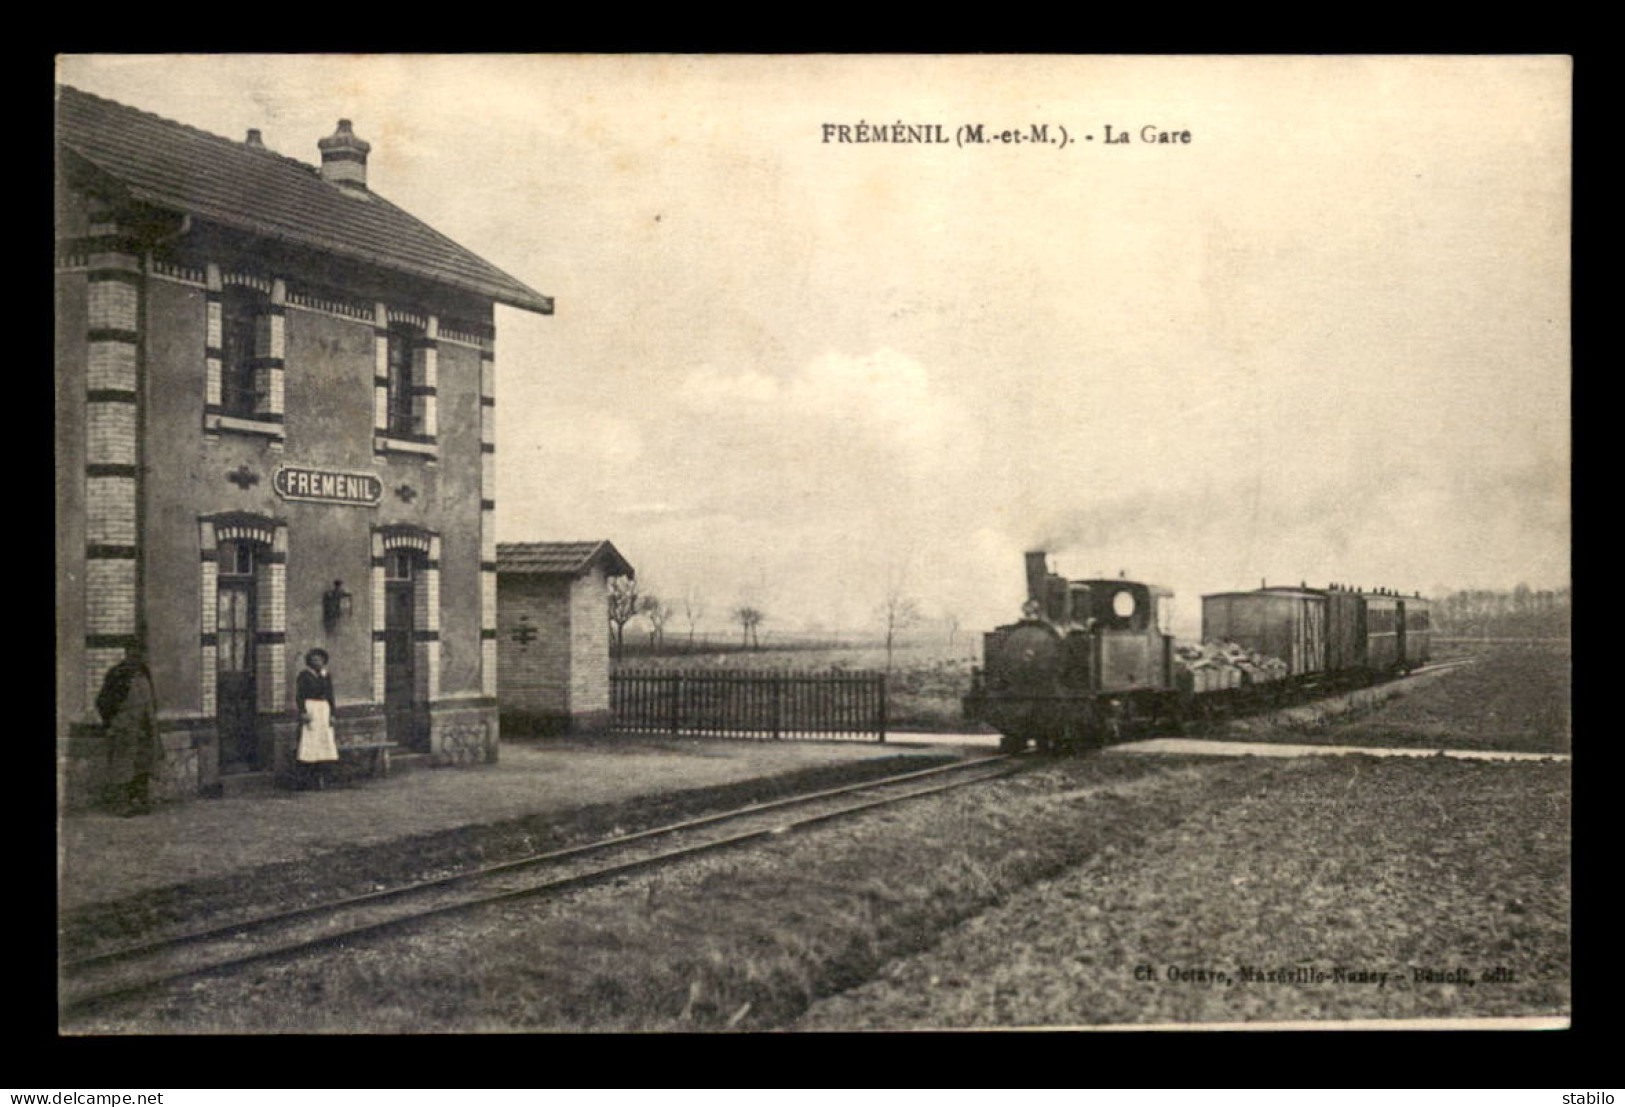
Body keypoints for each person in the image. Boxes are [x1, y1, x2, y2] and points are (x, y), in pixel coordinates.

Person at [96, 644, 161, 816]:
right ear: (126, 655)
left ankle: (140, 801)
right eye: (132, 656)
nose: (136, 659)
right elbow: (102, 702)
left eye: (139, 656)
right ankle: (121, 804)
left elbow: (151, 700)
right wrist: (112, 724)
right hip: (125, 729)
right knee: (122, 768)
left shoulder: (144, 673)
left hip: (145, 728)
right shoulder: (117, 675)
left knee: (143, 765)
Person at [295, 648, 340, 790]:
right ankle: (308, 778)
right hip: (311, 708)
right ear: (310, 662)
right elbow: (299, 696)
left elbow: (331, 696)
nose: (317, 663)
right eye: (314, 660)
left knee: (324, 740)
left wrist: (332, 714)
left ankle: (323, 778)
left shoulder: (326, 676)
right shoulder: (304, 676)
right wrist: (303, 712)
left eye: (320, 660)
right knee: (310, 741)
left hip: (324, 710)